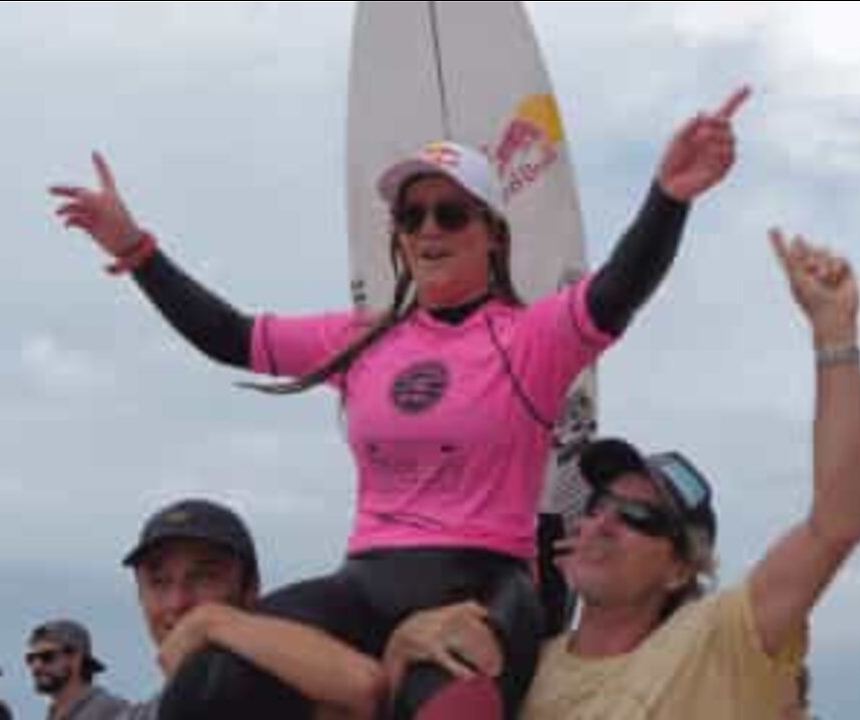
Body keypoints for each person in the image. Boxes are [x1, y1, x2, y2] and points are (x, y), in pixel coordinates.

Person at [51, 86, 750, 720]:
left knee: (455, 709)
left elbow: (616, 292)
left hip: (481, 582)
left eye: (450, 212)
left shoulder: (530, 339)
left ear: (491, 234)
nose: (428, 230)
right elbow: (229, 336)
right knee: (208, 682)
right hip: (363, 582)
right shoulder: (361, 342)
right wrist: (137, 251)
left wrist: (669, 198)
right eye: (411, 216)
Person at [386, 227, 860, 719]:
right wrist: (399, 652)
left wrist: (835, 336)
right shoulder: (521, 665)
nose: (604, 523)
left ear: (680, 569)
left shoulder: (719, 643)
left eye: (639, 515)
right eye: (598, 505)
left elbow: (835, 524)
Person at [115, 497, 385, 720]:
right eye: (159, 582)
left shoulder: (288, 696)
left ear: (250, 589)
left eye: (204, 577)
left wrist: (212, 622)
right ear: (140, 596)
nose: (178, 602)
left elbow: (362, 688)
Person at [26, 619, 128, 720]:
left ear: (76, 658)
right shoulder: (54, 714)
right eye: (30, 659)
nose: (36, 666)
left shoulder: (111, 710)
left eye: (47, 656)